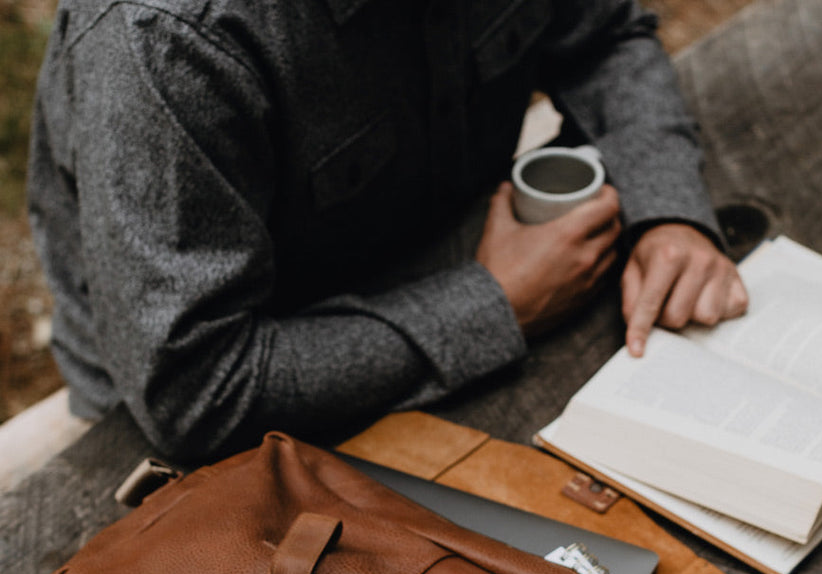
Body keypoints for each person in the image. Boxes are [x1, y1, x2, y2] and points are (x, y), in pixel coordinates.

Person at [28, 0, 747, 462]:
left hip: (487, 289)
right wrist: (493, 304)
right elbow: (196, 391)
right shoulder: (164, 42)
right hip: (224, 433)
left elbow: (603, 37)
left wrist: (668, 210)